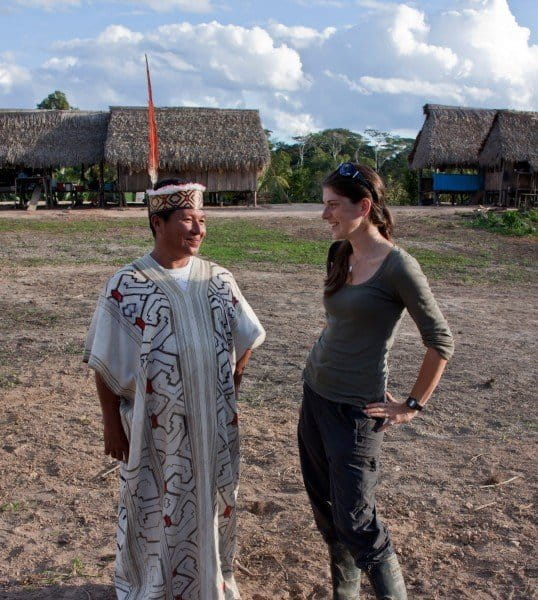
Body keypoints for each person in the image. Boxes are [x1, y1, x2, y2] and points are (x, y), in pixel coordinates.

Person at [84, 178, 265, 599]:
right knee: (155, 503)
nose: (198, 229)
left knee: (215, 501)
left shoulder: (219, 279)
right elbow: (105, 359)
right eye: (187, 220)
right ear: (157, 223)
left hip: (215, 426)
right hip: (155, 429)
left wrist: (228, 389)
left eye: (202, 220)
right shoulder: (126, 286)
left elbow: (248, 336)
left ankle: (212, 582)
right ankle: (154, 586)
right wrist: (112, 424)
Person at [299, 163, 454, 600]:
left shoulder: (398, 267)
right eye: (324, 204)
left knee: (358, 523)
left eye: (333, 205)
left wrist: (412, 404)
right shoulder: (340, 252)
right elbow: (342, 323)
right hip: (315, 395)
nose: (325, 215)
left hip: (356, 411)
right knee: (329, 514)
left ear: (363, 206)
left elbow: (440, 341)